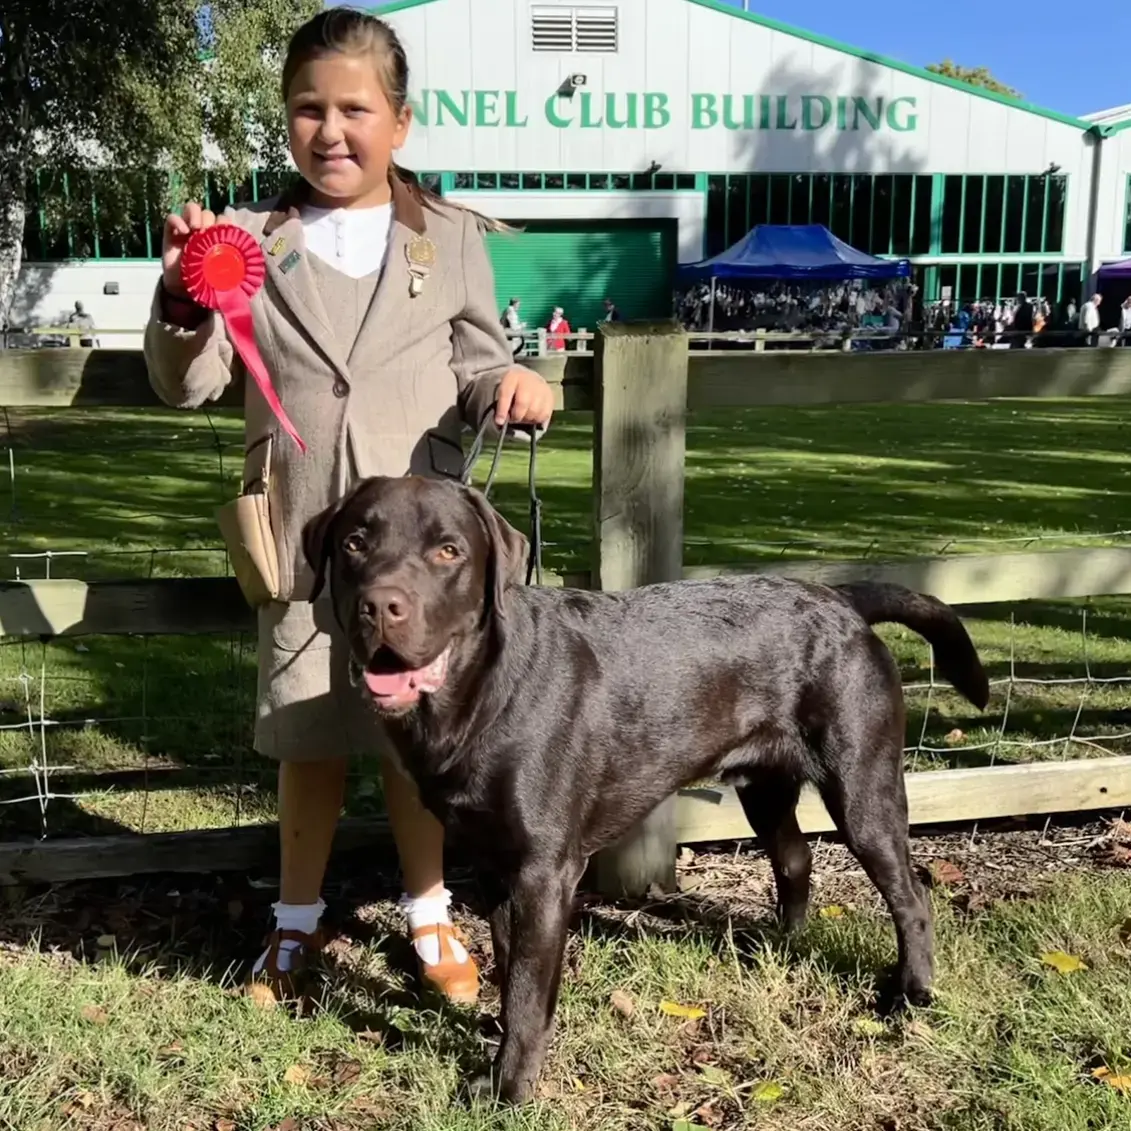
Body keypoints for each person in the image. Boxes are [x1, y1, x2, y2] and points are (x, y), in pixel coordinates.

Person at [142, 7, 554, 1010]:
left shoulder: (447, 239)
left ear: (399, 123)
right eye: (308, 109)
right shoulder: (246, 245)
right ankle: (292, 929)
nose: (332, 130)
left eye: (355, 109)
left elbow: (475, 360)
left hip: (422, 557)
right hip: (308, 541)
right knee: (309, 737)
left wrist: (516, 381)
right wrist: (185, 301)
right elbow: (183, 385)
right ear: (285, 121)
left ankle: (428, 915)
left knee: (424, 745)